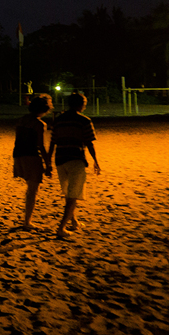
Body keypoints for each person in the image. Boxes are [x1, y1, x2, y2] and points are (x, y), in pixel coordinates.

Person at [48, 92, 101, 239]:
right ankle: (61, 227)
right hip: (76, 158)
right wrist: (96, 160)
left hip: (60, 159)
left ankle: (74, 221)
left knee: (68, 193)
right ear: (80, 104)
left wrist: (48, 161)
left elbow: (53, 141)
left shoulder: (58, 120)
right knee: (73, 195)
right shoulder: (84, 121)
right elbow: (89, 142)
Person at [13, 93, 53, 230]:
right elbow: (41, 146)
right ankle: (27, 222)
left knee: (30, 188)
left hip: (18, 154)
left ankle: (27, 221)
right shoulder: (40, 124)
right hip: (31, 156)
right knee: (32, 191)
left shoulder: (21, 120)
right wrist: (48, 164)